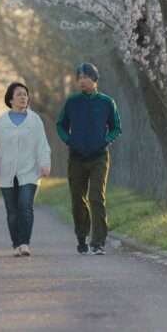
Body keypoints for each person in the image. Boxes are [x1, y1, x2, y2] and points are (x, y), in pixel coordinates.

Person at [56, 62, 121, 256]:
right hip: (76, 157)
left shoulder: (107, 102)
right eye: (79, 77)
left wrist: (105, 140)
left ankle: (98, 242)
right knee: (77, 198)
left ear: (94, 79)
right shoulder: (72, 102)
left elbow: (116, 127)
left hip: (99, 157)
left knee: (96, 197)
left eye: (85, 77)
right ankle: (81, 236)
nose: (81, 81)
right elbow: (61, 125)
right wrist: (69, 140)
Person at [0, 81, 51, 257]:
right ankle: (16, 244)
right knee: (12, 210)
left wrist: (45, 163)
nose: (23, 97)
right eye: (19, 94)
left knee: (25, 205)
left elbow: (42, 144)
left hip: (29, 170)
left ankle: (25, 244)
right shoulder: (1, 122)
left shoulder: (34, 120)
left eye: (25, 94)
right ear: (11, 99)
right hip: (6, 171)